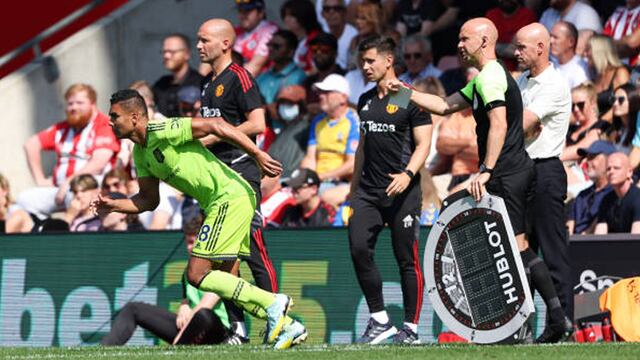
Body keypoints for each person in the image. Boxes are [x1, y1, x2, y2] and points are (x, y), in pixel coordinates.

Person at [387, 17, 563, 343]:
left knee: (517, 250)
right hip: (506, 171)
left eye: (464, 38)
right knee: (514, 249)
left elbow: (497, 124)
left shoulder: (492, 77)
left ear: (483, 41)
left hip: (508, 173)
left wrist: (485, 170)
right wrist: (403, 93)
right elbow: (443, 106)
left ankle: (553, 320)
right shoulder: (484, 78)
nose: (458, 45)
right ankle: (546, 321)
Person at [94, 89, 306, 350]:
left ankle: (274, 303)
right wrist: (115, 205)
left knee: (197, 274)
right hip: (223, 201)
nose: (110, 121)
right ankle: (288, 325)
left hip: (228, 197)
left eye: (115, 116)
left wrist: (257, 154)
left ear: (135, 117)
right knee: (227, 277)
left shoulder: (163, 129)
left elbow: (216, 125)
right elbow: (149, 201)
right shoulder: (140, 153)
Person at [197, 18, 291, 345]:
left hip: (240, 172)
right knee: (224, 257)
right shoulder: (208, 83)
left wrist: (213, 138)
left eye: (204, 40)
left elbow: (258, 123)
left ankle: (279, 319)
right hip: (217, 178)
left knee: (253, 248)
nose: (199, 46)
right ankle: (238, 328)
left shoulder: (240, 76)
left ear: (225, 43)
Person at [350, 35, 432, 344]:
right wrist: (353, 187)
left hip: (402, 192)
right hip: (368, 192)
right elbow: (362, 147)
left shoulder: (407, 97)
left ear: (388, 61)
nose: (365, 66)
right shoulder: (366, 100)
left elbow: (424, 143)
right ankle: (380, 320)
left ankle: (411, 328)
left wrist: (408, 173)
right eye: (363, 61)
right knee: (359, 248)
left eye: (371, 60)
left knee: (406, 259)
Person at [514, 23, 573, 342]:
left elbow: (518, 126)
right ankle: (528, 324)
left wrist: (507, 126)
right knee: (522, 254)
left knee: (552, 252)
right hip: (522, 171)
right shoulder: (523, 80)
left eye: (522, 47)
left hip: (545, 171)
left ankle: (562, 322)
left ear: (541, 47)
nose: (516, 52)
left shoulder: (554, 84)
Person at [101, 211, 229, 345]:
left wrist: (179, 340)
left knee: (203, 315)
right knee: (133, 309)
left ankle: (178, 349)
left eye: (192, 242)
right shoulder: (188, 271)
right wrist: (184, 307)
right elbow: (187, 300)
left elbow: (204, 306)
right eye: (187, 242)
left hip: (216, 332)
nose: (189, 247)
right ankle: (101, 352)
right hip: (190, 328)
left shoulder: (220, 267)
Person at [14, 83, 120, 225]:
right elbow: (31, 144)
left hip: (90, 189)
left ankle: (67, 233)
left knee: (75, 197)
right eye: (70, 103)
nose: (73, 108)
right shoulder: (63, 128)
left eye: (79, 103)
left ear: (93, 104)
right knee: (23, 200)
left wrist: (68, 182)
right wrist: (40, 180)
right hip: (59, 189)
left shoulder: (104, 124)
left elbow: (98, 163)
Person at [300, 74, 359, 208]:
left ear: (343, 97)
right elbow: (310, 157)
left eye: (327, 92)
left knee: (321, 199)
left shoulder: (354, 121)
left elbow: (352, 164)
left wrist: (321, 177)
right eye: (321, 92)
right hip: (319, 181)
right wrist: (306, 179)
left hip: (343, 183)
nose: (321, 96)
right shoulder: (317, 121)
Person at [567, 140, 616, 234]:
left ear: (609, 160)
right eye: (587, 157)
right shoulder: (582, 195)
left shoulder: (614, 194)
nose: (587, 162)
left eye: (593, 157)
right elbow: (570, 226)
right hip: (576, 245)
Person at [153, 33, 203, 118]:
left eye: (172, 52)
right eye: (164, 52)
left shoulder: (200, 83)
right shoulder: (161, 84)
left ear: (187, 54)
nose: (166, 56)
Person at [257, 29, 306, 105]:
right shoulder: (262, 77)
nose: (270, 49)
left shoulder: (300, 77)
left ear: (291, 52)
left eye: (276, 46)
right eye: (269, 45)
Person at [586, 35, 630, 119]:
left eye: (588, 50)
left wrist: (600, 123)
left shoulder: (620, 72)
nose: (585, 54)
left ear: (599, 51)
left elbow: (623, 103)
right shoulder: (597, 76)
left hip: (616, 125)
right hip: (598, 125)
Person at [595, 152, 640, 234]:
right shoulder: (606, 200)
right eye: (608, 169)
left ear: (629, 172)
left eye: (616, 168)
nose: (611, 172)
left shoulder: (637, 198)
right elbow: (599, 238)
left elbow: (636, 239)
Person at [303, 32, 346, 118]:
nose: (318, 53)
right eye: (314, 50)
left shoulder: (345, 78)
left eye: (324, 50)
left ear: (335, 53)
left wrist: (323, 109)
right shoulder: (308, 81)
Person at [486, 0, 537, 71]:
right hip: (493, 68)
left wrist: (494, 47)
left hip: (519, 71)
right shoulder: (491, 15)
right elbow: (484, 48)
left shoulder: (527, 15)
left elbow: (527, 52)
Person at [233, 0, 278, 77]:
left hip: (260, 83)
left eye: (248, 11)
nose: (243, 15)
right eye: (240, 11)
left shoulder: (269, 30)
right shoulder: (236, 31)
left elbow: (254, 68)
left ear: (260, 13)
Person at [281, 0, 323, 74]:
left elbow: (317, 69)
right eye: (285, 15)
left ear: (303, 16)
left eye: (291, 16)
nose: (286, 19)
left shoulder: (316, 39)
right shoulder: (290, 40)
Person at [550, 21, 590, 89]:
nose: (551, 41)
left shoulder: (581, 69)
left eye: (555, 37)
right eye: (550, 36)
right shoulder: (550, 64)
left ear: (571, 42)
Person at [320, 0, 357, 70]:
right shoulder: (319, 33)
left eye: (337, 8)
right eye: (327, 9)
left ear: (344, 12)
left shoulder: (354, 36)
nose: (331, 12)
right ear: (322, 14)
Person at [603, 0, 640, 66]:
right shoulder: (617, 12)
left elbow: (632, 43)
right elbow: (601, 43)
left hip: (634, 71)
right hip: (613, 68)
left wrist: (610, 45)